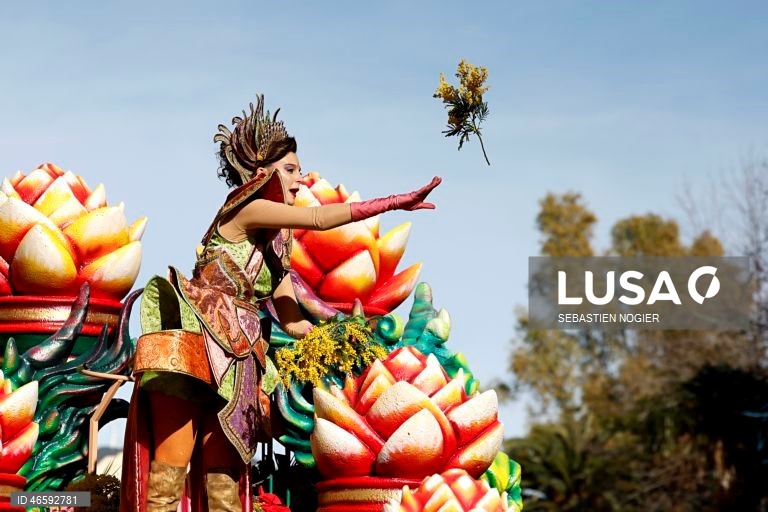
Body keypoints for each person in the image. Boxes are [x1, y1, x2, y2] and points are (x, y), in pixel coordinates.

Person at [120, 95, 441, 512]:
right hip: (195, 338)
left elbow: (292, 323)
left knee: (226, 474)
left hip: (239, 355)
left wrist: (344, 344)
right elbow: (319, 219)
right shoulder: (249, 208)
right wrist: (395, 202)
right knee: (171, 464)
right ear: (261, 172)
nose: (300, 177)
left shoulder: (277, 245)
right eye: (290, 169)